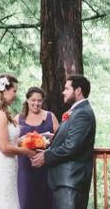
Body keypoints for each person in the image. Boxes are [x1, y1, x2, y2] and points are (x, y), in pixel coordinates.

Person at [31, 74, 96, 209]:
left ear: (78, 90)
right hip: (66, 180)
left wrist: (46, 156)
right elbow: (65, 142)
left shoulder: (82, 114)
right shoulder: (76, 111)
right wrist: (47, 148)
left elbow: (71, 147)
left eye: (67, 89)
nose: (63, 92)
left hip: (72, 181)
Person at [0, 74, 36, 209]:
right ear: (4, 91)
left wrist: (25, 141)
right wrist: (27, 152)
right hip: (1, 170)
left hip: (8, 169)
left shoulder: (2, 112)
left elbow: (8, 140)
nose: (16, 95)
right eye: (14, 91)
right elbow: (4, 147)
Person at [17, 87, 59, 209]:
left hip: (45, 168)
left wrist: (52, 139)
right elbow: (12, 142)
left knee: (46, 201)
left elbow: (61, 140)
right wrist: (22, 140)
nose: (36, 103)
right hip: (25, 169)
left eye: (39, 101)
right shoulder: (18, 119)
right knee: (26, 201)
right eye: (33, 100)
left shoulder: (50, 117)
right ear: (27, 100)